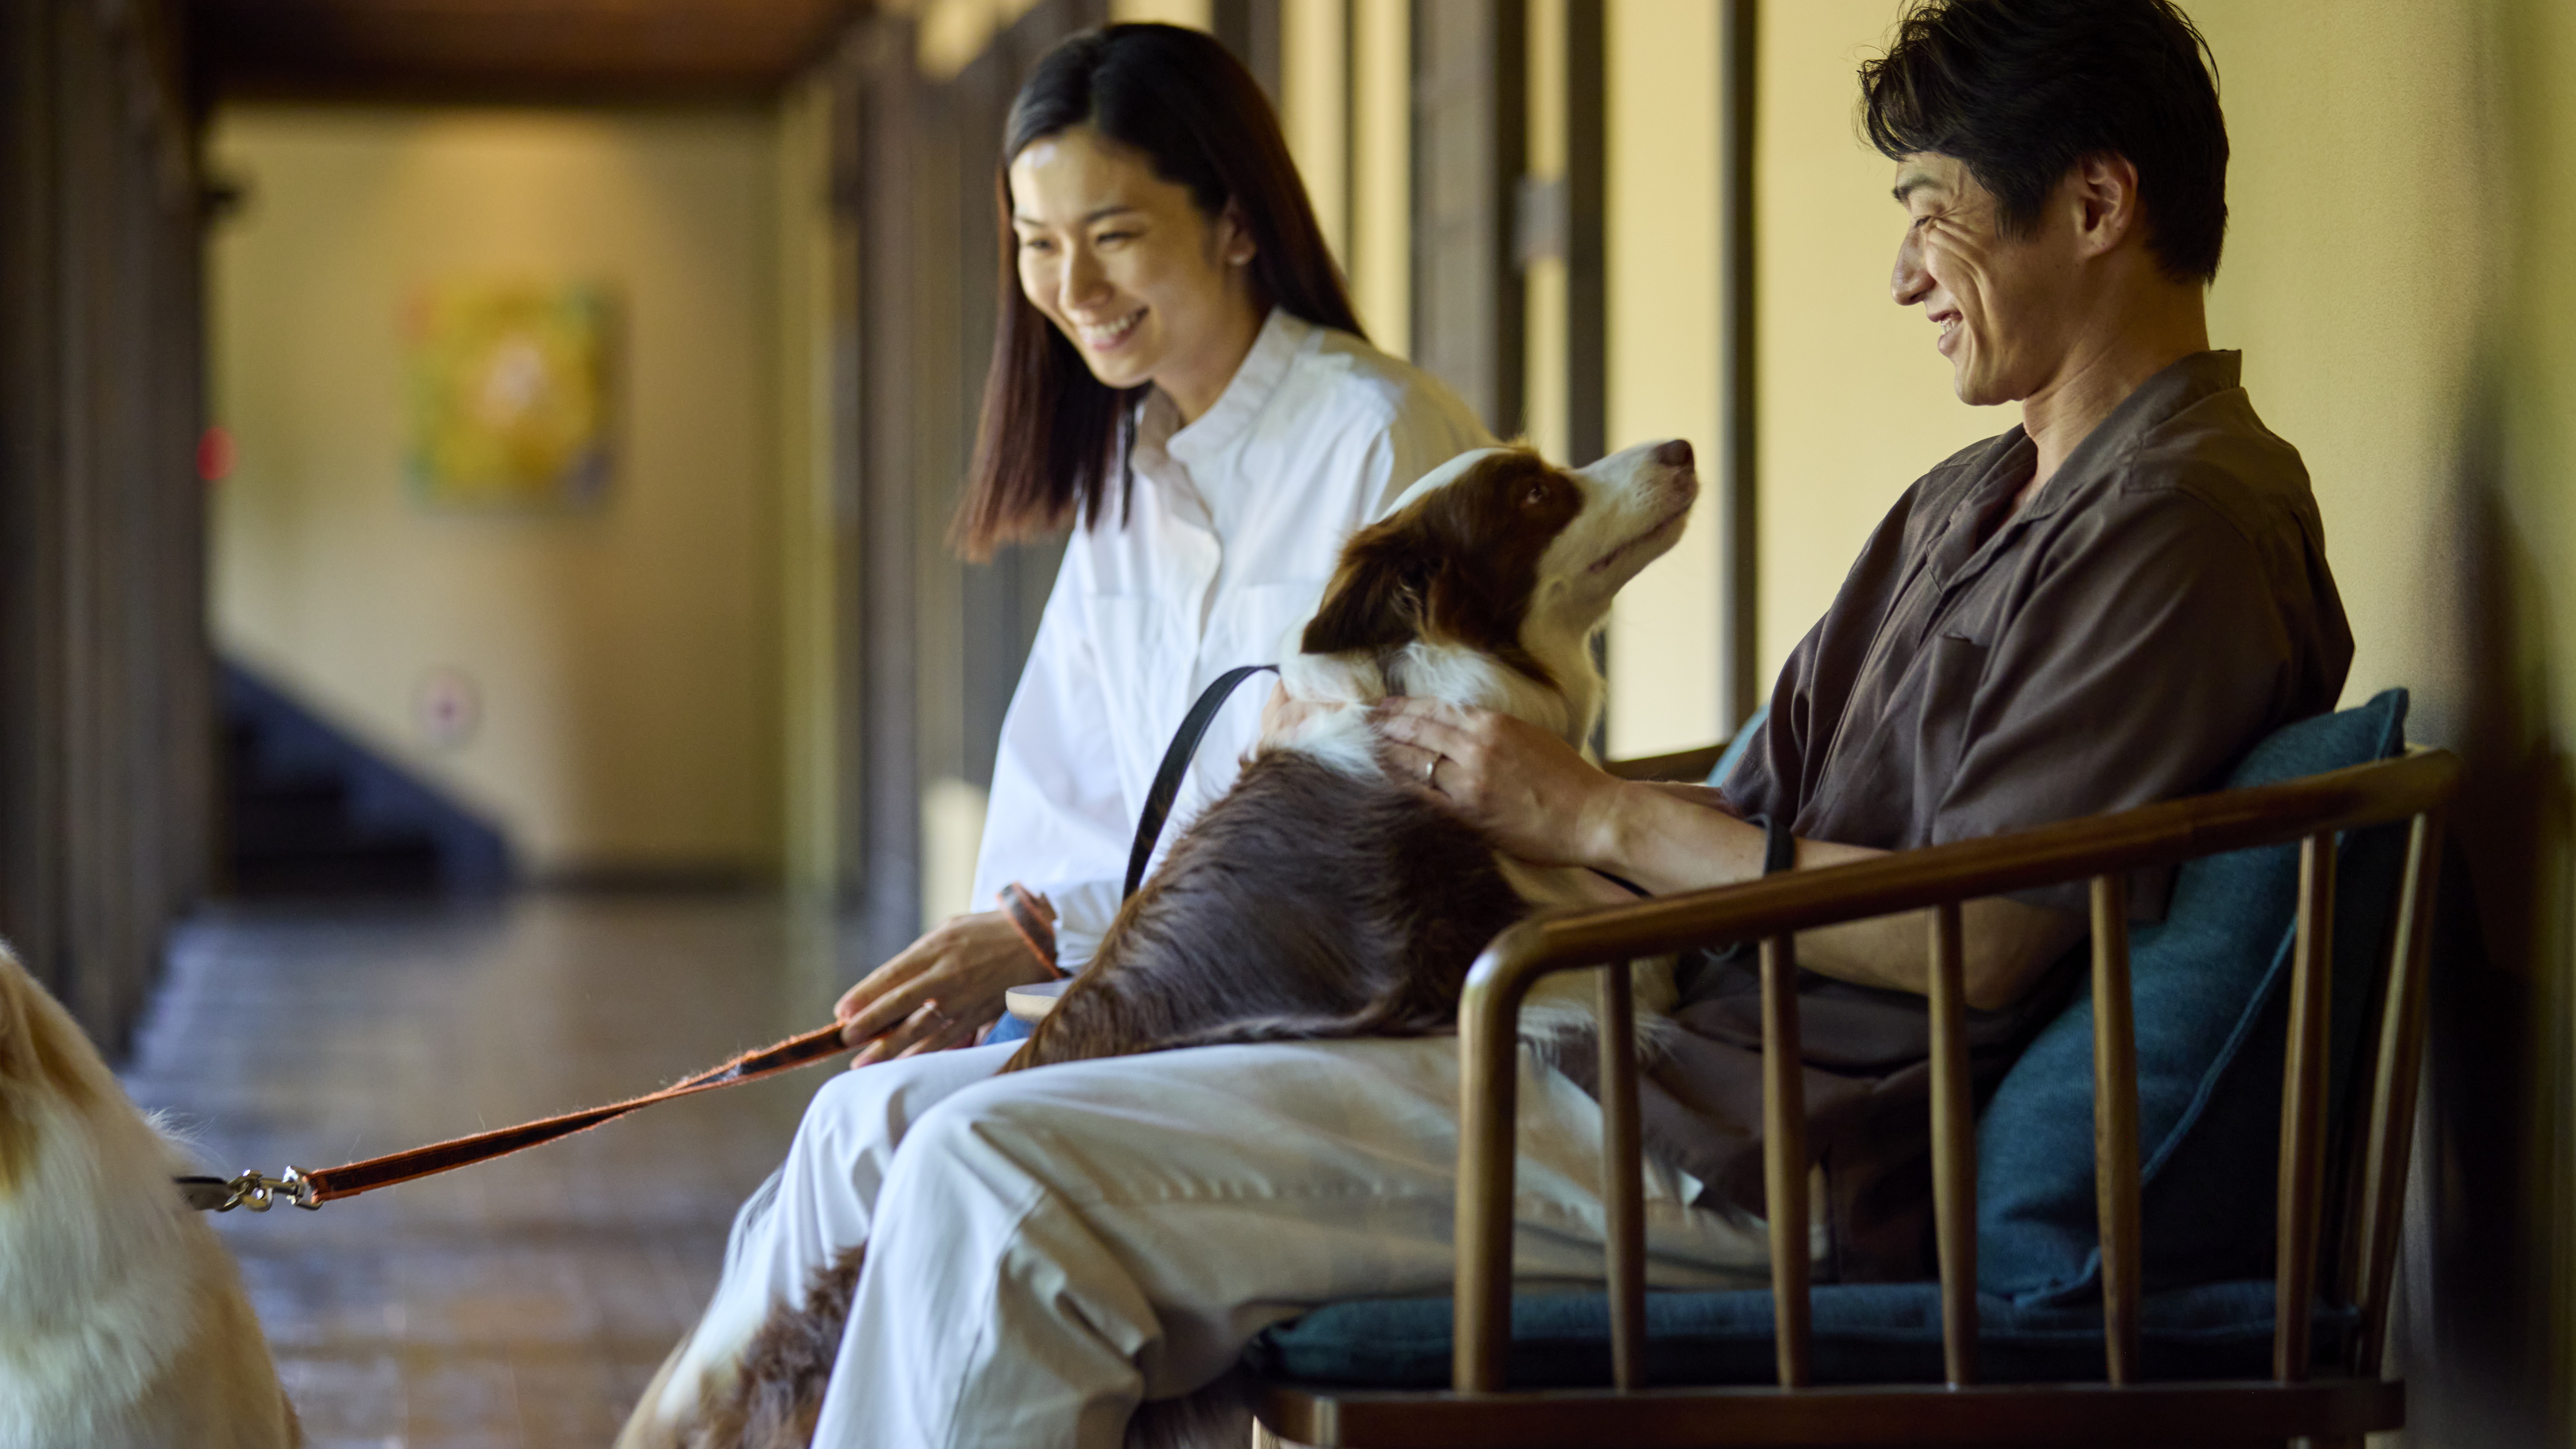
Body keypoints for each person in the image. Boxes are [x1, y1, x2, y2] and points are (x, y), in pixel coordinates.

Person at [635, 1, 2357, 1444]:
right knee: (949, 1147)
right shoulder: (1972, 497)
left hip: (1751, 1154)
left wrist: (1589, 813)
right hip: (1617, 1049)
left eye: (1933, 210)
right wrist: (1521, 814)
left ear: (2101, 203)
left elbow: (1984, 938)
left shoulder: (2184, 523)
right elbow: (1754, 792)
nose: (1907, 271)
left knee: (1002, 1184)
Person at [618, 21, 1491, 1444]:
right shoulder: (1129, 484)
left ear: (1235, 220)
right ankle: (698, 1428)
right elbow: (1066, 807)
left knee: (901, 1141)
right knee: (863, 1115)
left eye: (1116, 234)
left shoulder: (1378, 444)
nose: (1070, 289)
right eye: (1035, 243)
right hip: (1165, 1012)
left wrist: (1047, 939)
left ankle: (683, 1432)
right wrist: (1006, 963)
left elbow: (1382, 841)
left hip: (1341, 1024)